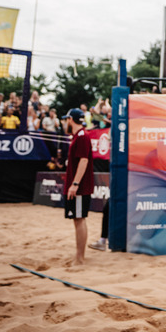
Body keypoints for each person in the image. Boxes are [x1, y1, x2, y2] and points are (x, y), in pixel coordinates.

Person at [64, 107, 94, 265]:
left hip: (80, 186)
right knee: (77, 219)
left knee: (79, 219)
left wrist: (75, 184)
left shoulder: (82, 136)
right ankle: (78, 256)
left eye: (66, 119)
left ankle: (80, 258)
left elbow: (84, 160)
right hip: (78, 185)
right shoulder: (78, 136)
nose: (65, 122)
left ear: (70, 120)